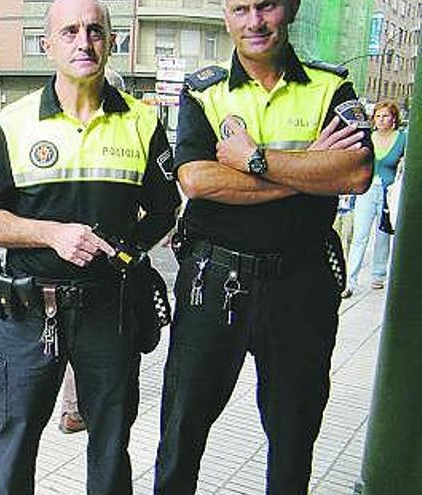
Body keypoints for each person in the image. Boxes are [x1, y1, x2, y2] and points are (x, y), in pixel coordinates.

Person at [0, 0, 180, 493]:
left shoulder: (143, 123)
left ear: (111, 40)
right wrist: (51, 233)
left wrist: (123, 250)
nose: (84, 42)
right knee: (16, 438)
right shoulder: (13, 123)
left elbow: (167, 210)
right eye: (70, 32)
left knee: (110, 441)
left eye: (95, 31)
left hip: (111, 310)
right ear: (47, 45)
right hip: (31, 313)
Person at [154, 0, 373, 494]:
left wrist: (253, 158)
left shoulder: (329, 86)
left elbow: (356, 172)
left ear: (291, 8)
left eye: (267, 5)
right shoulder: (204, 91)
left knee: (294, 432)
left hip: (302, 284)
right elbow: (197, 179)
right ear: (227, 16)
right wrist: (309, 169)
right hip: (213, 283)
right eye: (241, 8)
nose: (255, 21)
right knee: (182, 428)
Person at [56, 65, 128, 436]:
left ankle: (76, 409)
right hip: (67, 269)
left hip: (102, 274)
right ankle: (75, 409)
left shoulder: (128, 134)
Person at [342, 100, 406, 297]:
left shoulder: (402, 139)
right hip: (367, 190)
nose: (381, 120)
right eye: (378, 116)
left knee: (383, 235)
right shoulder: (368, 137)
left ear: (394, 119)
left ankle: (378, 275)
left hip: (389, 191)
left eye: (385, 116)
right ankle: (349, 280)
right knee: (360, 235)